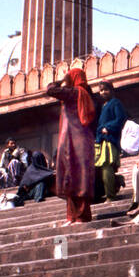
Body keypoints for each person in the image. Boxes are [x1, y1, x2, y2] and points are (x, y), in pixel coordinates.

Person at [46, 69, 98, 225]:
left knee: (78, 178)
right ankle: (72, 217)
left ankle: (81, 217)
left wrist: (62, 79)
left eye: (70, 76)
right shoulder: (83, 93)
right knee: (72, 177)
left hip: (75, 140)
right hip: (76, 140)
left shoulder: (75, 92)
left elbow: (50, 89)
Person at [94, 81, 127, 201]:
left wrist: (107, 128)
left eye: (105, 90)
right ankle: (117, 181)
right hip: (101, 140)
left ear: (111, 90)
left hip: (110, 140)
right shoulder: (103, 106)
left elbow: (121, 118)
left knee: (107, 166)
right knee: (103, 168)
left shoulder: (115, 103)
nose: (103, 92)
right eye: (101, 90)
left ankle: (110, 196)